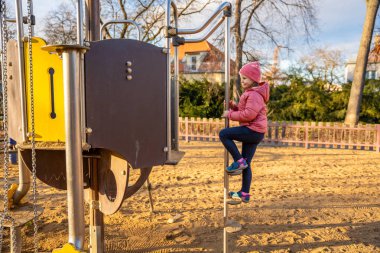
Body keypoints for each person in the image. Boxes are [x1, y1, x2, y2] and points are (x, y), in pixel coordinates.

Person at [219, 61, 269, 203]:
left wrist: (229, 114)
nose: (242, 81)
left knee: (224, 134)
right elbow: (243, 111)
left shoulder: (254, 95)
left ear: (254, 79)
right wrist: (233, 107)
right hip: (255, 131)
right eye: (242, 78)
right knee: (247, 163)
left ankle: (238, 161)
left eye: (245, 78)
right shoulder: (251, 93)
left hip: (252, 130)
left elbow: (248, 115)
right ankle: (244, 193)